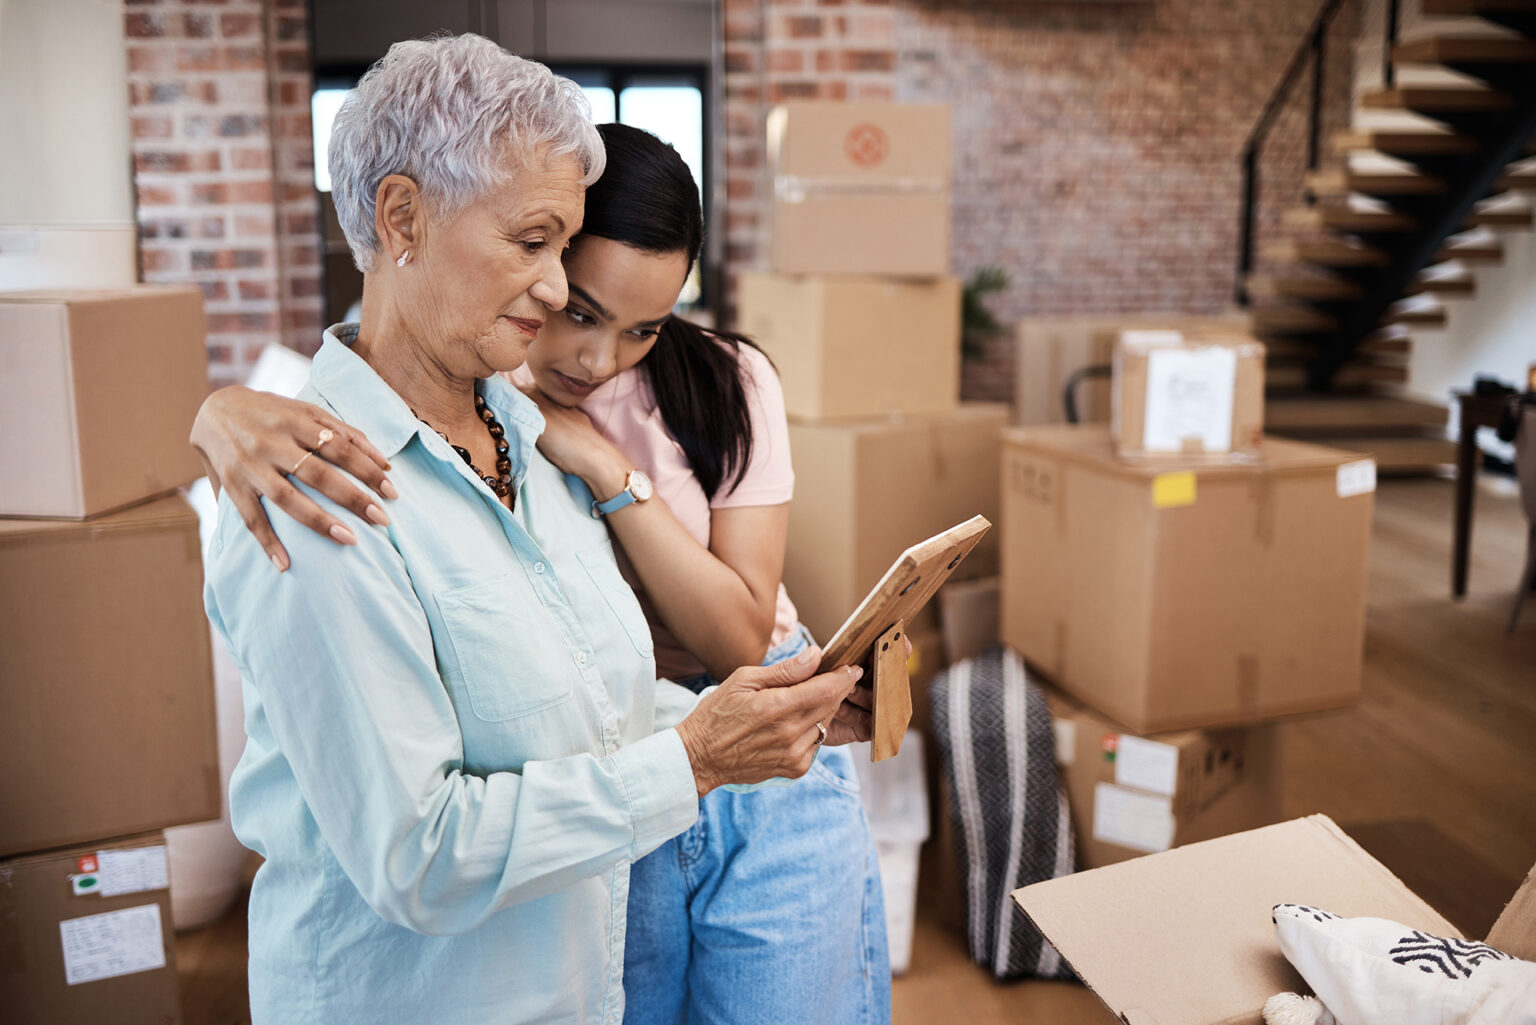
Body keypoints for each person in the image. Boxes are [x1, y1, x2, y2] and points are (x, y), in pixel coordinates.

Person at [198, 35, 867, 1025]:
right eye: (532, 242)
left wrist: (749, 715)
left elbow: (584, 705)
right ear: (401, 217)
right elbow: (421, 852)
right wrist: (696, 757)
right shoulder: (318, 488)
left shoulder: (524, 438)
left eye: (564, 250)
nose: (556, 291)